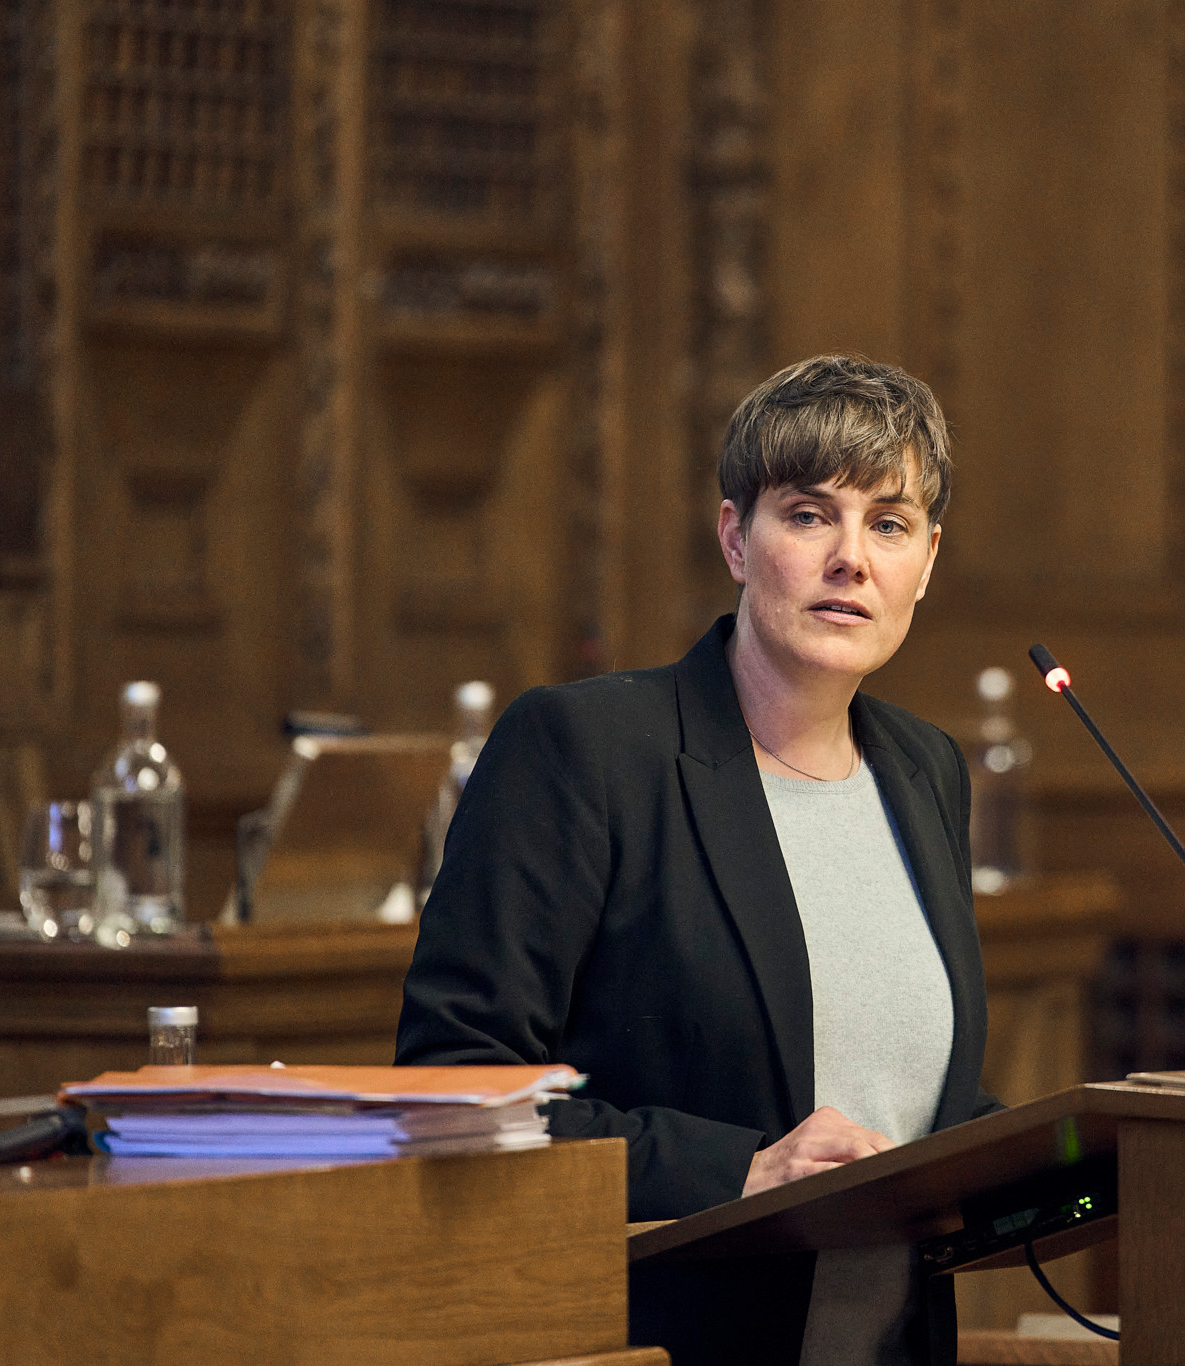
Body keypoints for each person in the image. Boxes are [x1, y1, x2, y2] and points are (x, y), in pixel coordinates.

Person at [396, 354, 999, 1365]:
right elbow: (456, 1088)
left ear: (925, 562)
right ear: (734, 536)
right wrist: (741, 1169)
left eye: (887, 524)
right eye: (808, 514)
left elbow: (910, 1100)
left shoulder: (924, 768)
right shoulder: (587, 750)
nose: (850, 557)